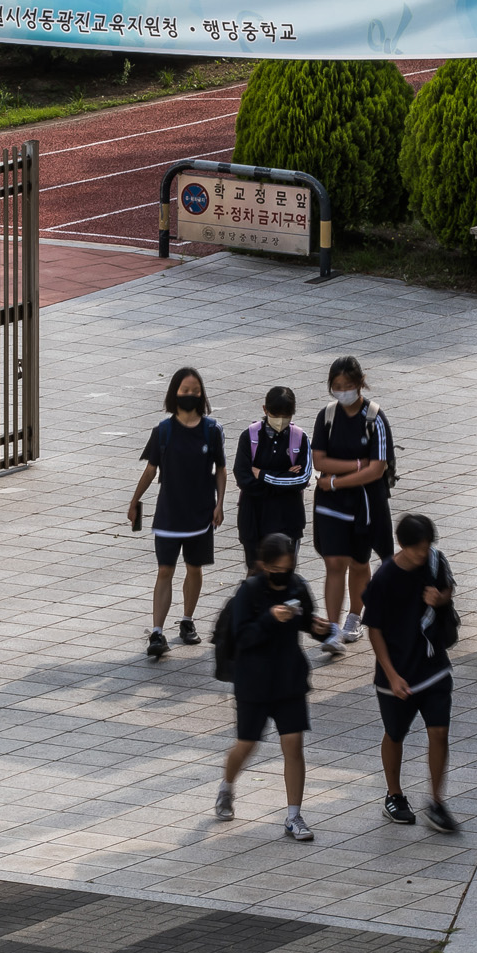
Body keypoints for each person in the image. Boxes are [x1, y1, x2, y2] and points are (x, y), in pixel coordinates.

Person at [216, 532, 331, 840]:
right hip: (254, 683)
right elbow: (243, 637)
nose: (285, 574)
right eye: (279, 569)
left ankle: (294, 815)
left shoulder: (297, 585)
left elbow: (306, 620)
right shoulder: (249, 593)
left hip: (289, 680)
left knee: (293, 744)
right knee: (247, 745)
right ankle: (227, 786)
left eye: (289, 567)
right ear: (265, 566)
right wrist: (270, 618)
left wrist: (318, 628)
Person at [362, 513, 457, 833]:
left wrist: (440, 598)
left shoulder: (434, 562)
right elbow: (373, 630)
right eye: (417, 548)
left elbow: (448, 591)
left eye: (427, 546)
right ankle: (394, 794)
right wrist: (390, 675)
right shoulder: (385, 578)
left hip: (433, 666)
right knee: (395, 734)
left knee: (439, 733)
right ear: (403, 545)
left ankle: (436, 801)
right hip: (398, 672)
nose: (423, 553)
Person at [128, 367, 226, 660]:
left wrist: (220, 504)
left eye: (195, 391)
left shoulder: (212, 430)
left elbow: (221, 469)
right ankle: (157, 632)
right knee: (165, 570)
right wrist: (135, 501)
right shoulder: (164, 431)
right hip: (169, 515)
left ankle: (187, 620)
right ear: (174, 393)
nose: (190, 395)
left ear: (202, 394)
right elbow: (150, 470)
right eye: (185, 391)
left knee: (194, 569)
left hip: (201, 515)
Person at [311, 356, 395, 655]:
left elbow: (377, 469)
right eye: (336, 386)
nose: (342, 391)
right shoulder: (328, 416)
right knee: (334, 562)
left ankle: (354, 618)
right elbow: (318, 460)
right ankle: (332, 629)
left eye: (348, 386)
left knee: (359, 563)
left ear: (361, 383)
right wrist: (355, 465)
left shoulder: (374, 417)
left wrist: (335, 481)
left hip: (363, 503)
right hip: (331, 506)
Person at [233, 386, 312, 571]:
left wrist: (262, 474)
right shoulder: (249, 437)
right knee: (255, 573)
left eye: (287, 415)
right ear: (265, 410)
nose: (281, 420)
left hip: (288, 520)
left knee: (284, 574)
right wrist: (284, 480)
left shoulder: (300, 438)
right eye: (276, 414)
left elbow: (302, 479)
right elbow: (243, 478)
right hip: (254, 519)